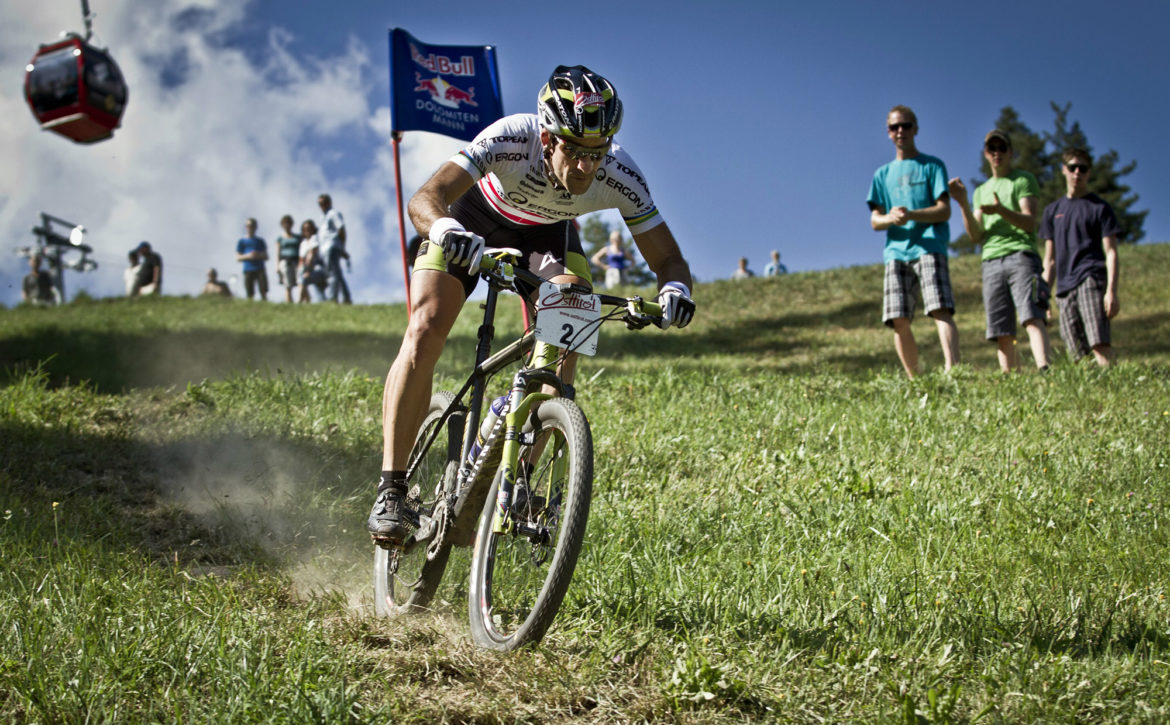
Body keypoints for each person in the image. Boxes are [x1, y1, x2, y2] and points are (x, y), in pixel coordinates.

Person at [368, 65, 696, 544]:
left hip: (545, 237)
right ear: (546, 138)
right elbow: (427, 198)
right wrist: (444, 231)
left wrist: (675, 291)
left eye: (597, 153)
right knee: (426, 327)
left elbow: (667, 258)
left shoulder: (620, 172)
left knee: (575, 310)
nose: (587, 167)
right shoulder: (510, 138)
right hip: (470, 221)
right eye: (575, 151)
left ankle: (516, 477)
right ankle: (392, 489)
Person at [866, 105, 959, 378]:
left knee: (940, 308)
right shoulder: (881, 175)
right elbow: (874, 220)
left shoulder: (933, 165)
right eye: (894, 127)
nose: (900, 132)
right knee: (898, 318)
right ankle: (914, 379)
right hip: (896, 252)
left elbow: (945, 209)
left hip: (930, 246)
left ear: (916, 129)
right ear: (888, 133)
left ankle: (953, 371)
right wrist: (891, 218)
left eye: (905, 126)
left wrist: (912, 215)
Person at [949, 130, 1051, 373]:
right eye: (991, 149)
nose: (997, 153)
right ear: (986, 154)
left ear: (1010, 152)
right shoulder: (981, 191)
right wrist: (963, 202)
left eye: (1001, 148)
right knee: (1000, 326)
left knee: (1031, 315)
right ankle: (1011, 378)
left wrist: (1001, 210)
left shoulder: (1023, 180)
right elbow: (976, 235)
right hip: (991, 260)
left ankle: (1045, 368)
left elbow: (1029, 221)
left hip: (1021, 255)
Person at [1040, 148, 1122, 366]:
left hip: (1090, 278)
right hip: (1064, 289)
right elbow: (1050, 260)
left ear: (1088, 173)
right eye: (1072, 167)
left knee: (1099, 344)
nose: (1077, 172)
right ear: (1063, 170)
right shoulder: (1052, 211)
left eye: (1083, 169)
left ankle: (1117, 391)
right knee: (1078, 356)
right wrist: (1044, 296)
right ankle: (1095, 397)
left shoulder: (1100, 208)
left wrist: (1111, 291)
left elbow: (1111, 251)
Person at [318, 194, 351, 304]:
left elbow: (341, 230)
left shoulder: (333, 214)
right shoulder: (323, 218)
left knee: (332, 273)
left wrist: (342, 248)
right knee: (337, 273)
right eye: (320, 204)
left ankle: (332, 298)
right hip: (325, 249)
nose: (321, 205)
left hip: (332, 246)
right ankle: (346, 297)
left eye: (323, 203)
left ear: (329, 203)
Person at [235, 218, 268, 301]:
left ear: (255, 227)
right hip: (248, 269)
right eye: (248, 226)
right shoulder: (242, 241)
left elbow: (266, 256)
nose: (249, 228)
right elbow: (238, 257)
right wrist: (248, 256)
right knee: (249, 292)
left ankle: (265, 305)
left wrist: (258, 255)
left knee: (263, 290)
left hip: (260, 268)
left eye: (251, 226)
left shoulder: (260, 241)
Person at [298, 219, 327, 303]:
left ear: (313, 229)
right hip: (307, 268)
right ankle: (323, 305)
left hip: (317, 267)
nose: (307, 231)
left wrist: (307, 269)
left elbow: (312, 253)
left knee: (305, 280)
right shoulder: (303, 244)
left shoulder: (315, 238)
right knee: (318, 290)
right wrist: (300, 270)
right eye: (305, 229)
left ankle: (300, 302)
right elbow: (301, 259)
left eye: (309, 228)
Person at [275, 214, 302, 304]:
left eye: (288, 223)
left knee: (300, 282)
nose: (287, 225)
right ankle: (289, 303)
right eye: (285, 223)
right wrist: (277, 266)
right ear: (282, 225)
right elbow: (278, 253)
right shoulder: (280, 238)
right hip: (285, 261)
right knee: (287, 284)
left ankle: (301, 301)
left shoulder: (297, 237)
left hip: (296, 261)